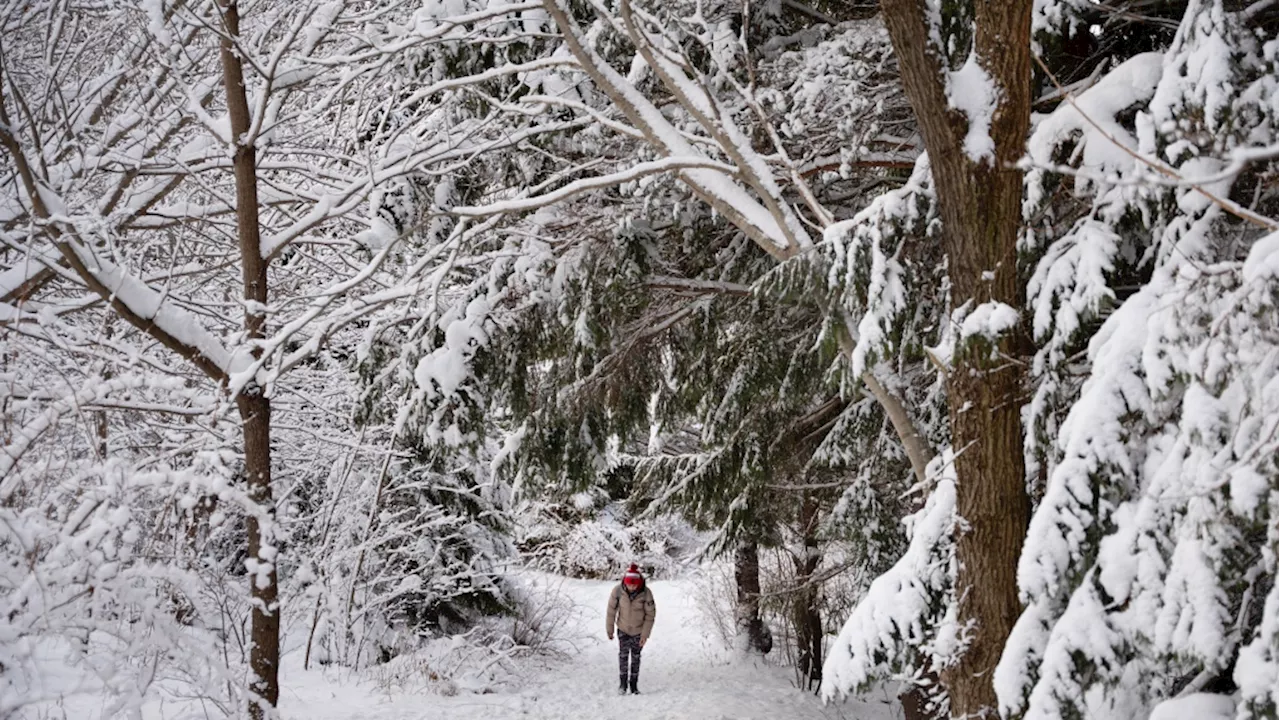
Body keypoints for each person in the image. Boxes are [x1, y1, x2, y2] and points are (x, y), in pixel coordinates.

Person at [605, 563, 656, 695]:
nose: (632, 587)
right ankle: (622, 684)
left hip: (638, 632)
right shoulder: (617, 591)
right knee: (623, 656)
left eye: (634, 585)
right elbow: (611, 611)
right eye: (629, 584)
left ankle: (633, 685)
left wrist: (645, 634)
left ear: (639, 583)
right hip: (623, 629)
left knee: (635, 657)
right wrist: (609, 629)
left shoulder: (646, 593)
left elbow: (650, 615)